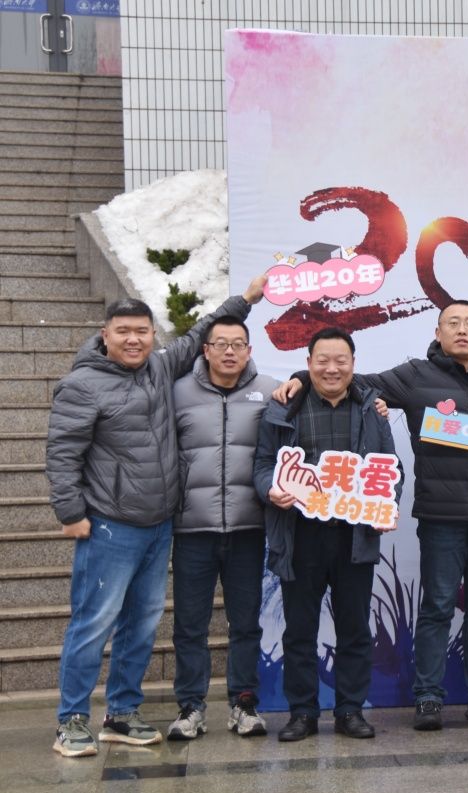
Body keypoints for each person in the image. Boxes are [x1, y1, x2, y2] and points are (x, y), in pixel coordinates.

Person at [272, 300, 468, 731]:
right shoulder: (414, 375)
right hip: (440, 515)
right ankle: (428, 699)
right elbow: (351, 379)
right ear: (438, 332)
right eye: (453, 323)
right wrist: (302, 378)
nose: (462, 330)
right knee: (437, 607)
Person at [47, 277, 266, 758]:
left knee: (142, 624)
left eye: (142, 331)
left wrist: (246, 300)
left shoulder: (159, 368)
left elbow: (202, 332)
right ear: (105, 335)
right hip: (109, 523)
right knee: (93, 622)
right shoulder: (82, 384)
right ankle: (71, 720)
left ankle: (122, 713)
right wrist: (70, 512)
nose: (133, 339)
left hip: (159, 523)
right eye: (123, 331)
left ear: (152, 335)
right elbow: (62, 453)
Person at [254, 327, 400, 742]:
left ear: (353, 364)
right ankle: (302, 712)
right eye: (323, 360)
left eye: (340, 361)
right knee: (299, 630)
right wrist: (270, 490)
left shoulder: (372, 410)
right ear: (308, 362)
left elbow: (390, 468)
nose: (331, 369)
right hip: (300, 535)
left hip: (354, 536)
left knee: (354, 628)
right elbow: (263, 464)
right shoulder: (283, 407)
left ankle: (350, 710)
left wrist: (387, 506)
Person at [167, 316, 279, 740]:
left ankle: (243, 703)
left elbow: (319, 391)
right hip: (192, 529)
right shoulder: (177, 392)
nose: (229, 351)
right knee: (189, 626)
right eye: (221, 344)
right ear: (206, 350)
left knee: (245, 623)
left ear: (249, 350)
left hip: (249, 527)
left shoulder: (270, 390)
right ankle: (190, 707)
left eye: (238, 344)